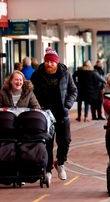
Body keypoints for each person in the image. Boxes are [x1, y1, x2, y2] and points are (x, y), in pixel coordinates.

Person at [31, 47, 78, 182]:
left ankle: (61, 163)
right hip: (44, 114)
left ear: (57, 63)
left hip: (61, 113)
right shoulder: (37, 74)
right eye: (47, 61)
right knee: (47, 142)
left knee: (65, 140)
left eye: (52, 62)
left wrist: (67, 105)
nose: (49, 64)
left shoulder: (65, 74)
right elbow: (31, 92)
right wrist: (36, 107)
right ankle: (48, 169)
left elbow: (73, 90)